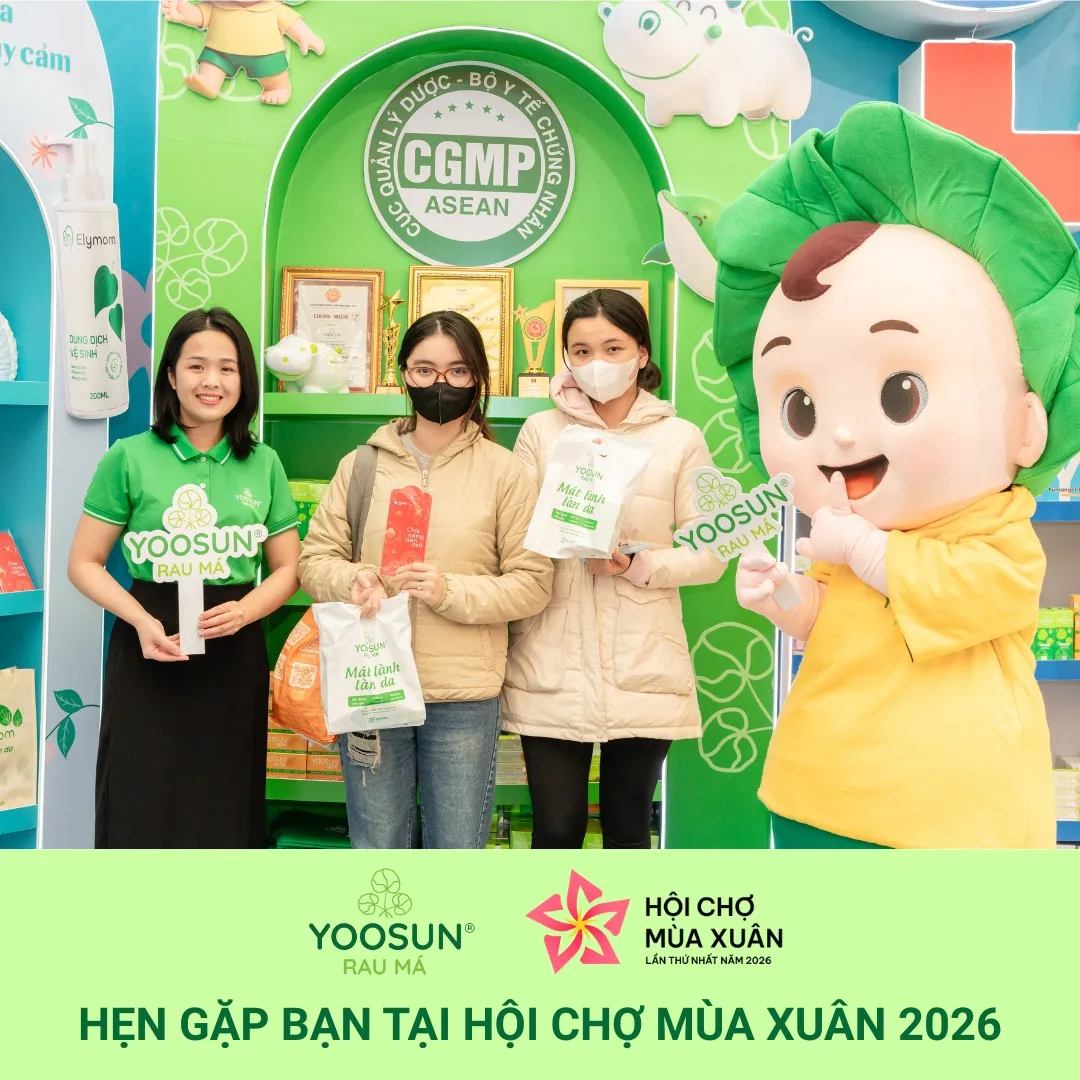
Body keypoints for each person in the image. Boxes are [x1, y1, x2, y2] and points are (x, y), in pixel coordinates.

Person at [714, 101, 1080, 848]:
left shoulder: (999, 537)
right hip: (818, 788)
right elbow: (841, 623)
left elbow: (959, 595)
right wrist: (787, 597)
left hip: (941, 816)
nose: (841, 435)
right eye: (802, 409)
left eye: (899, 393)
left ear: (1027, 422)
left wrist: (859, 548)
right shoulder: (853, 530)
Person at [297, 310, 552, 849]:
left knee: (456, 849)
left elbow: (533, 583)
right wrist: (354, 580)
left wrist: (448, 591)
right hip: (372, 683)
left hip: (463, 698)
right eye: (425, 369)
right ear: (403, 374)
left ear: (478, 379)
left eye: (458, 371)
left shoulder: (504, 472)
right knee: (378, 845)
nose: (441, 383)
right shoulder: (360, 466)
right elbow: (314, 560)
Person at [501, 289, 726, 849]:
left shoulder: (681, 439)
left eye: (612, 347)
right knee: (556, 828)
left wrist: (636, 564)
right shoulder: (541, 432)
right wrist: (552, 535)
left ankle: (623, 915)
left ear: (641, 354)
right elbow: (510, 536)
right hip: (549, 661)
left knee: (629, 826)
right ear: (566, 357)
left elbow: (712, 553)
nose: (596, 363)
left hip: (643, 664)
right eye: (581, 351)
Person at [69, 308, 301, 848]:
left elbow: (289, 568)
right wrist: (140, 621)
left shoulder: (263, 462)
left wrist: (245, 611)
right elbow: (84, 562)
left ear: (244, 380)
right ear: (171, 376)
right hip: (150, 648)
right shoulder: (128, 457)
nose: (211, 381)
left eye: (227, 368)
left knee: (224, 804)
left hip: (233, 652)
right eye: (196, 366)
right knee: (140, 800)